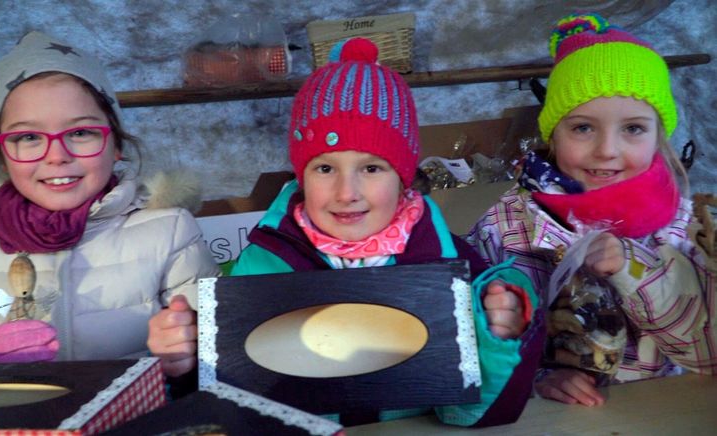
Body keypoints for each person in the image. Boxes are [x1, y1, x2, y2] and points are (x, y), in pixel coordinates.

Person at [149, 37, 546, 427]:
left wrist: (497, 340)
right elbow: (230, 411)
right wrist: (185, 366)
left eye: (372, 168)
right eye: (325, 168)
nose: (346, 193)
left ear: (404, 178)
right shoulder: (262, 265)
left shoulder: (450, 264)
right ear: (301, 176)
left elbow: (477, 415)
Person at [465, 13, 717, 407]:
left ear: (658, 135)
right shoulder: (505, 227)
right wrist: (539, 376)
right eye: (583, 128)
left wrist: (632, 267)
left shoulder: (684, 227)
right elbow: (473, 342)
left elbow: (707, 352)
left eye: (633, 128)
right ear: (554, 131)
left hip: (667, 412)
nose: (607, 150)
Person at [0, 31, 219, 364]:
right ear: (3, 156)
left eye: (80, 132)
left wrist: (182, 360)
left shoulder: (169, 232)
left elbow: (217, 353)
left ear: (116, 145)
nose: (56, 155)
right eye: (28, 136)